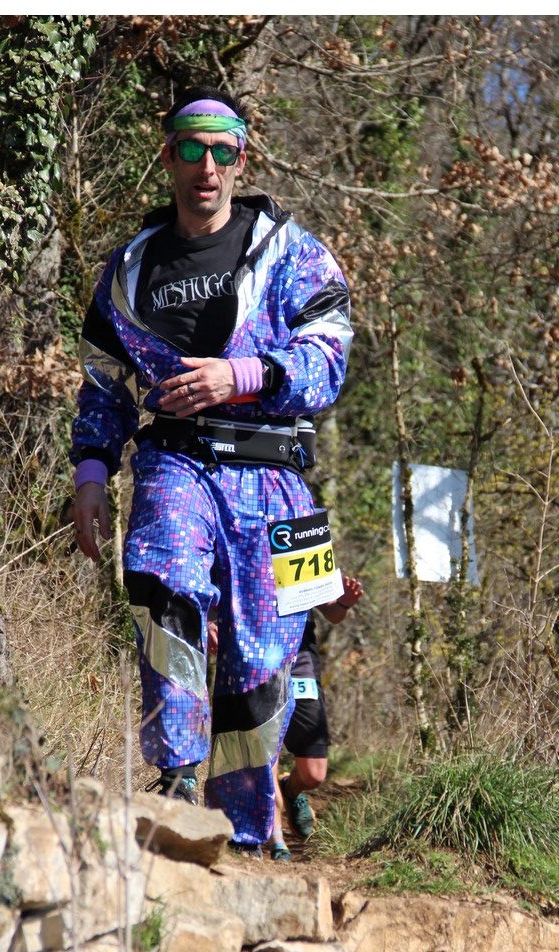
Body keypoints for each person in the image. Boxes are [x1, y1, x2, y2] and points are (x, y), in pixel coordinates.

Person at [69, 86, 352, 855]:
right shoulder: (130, 269)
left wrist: (242, 375)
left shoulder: (293, 253)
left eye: (222, 151)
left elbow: (329, 360)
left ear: (241, 160)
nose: (207, 167)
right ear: (168, 157)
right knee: (163, 578)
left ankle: (247, 836)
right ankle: (176, 779)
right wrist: (92, 471)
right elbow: (103, 384)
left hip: (277, 476)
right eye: (192, 149)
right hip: (176, 457)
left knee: (265, 659)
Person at [273, 574, 363, 857]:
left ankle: (290, 789)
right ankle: (275, 838)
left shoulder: (303, 547)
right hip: (253, 649)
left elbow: (333, 613)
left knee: (314, 774)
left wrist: (345, 602)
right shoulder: (241, 543)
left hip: (300, 659)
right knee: (267, 748)